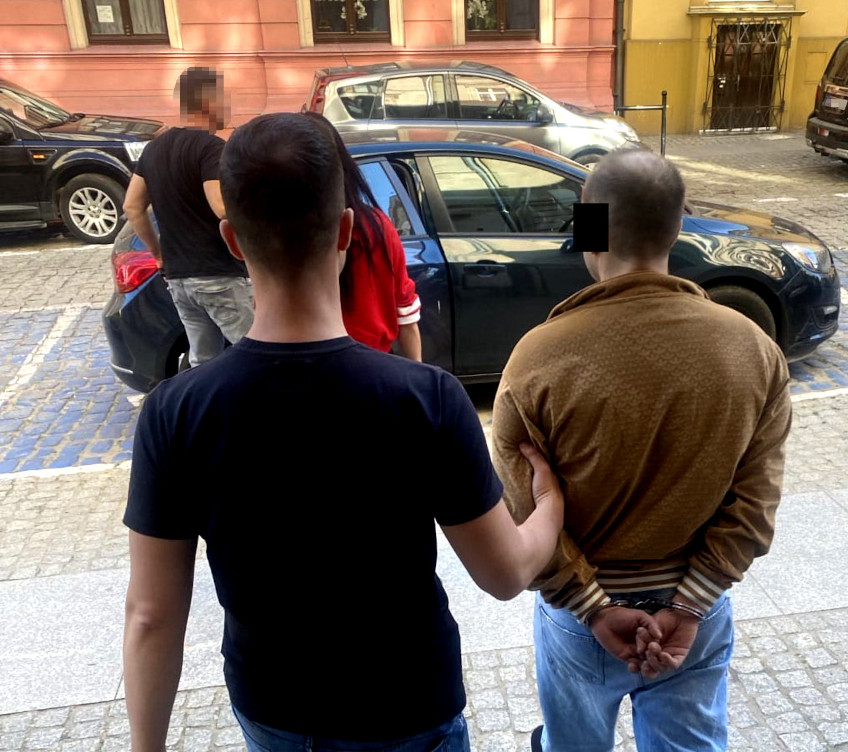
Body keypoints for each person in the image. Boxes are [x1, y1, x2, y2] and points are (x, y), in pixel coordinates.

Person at [121, 112, 564, 752]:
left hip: (275, 708)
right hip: (409, 706)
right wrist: (549, 502)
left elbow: (151, 616)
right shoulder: (427, 399)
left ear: (232, 239)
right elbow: (505, 573)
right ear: (348, 231)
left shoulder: (174, 412)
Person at [492, 148, 793, 752]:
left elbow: (520, 505)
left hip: (583, 622)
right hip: (696, 616)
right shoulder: (754, 349)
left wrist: (594, 608)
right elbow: (755, 505)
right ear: (678, 227)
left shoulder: (537, 358)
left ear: (588, 226)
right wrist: (690, 605)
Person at [123, 66, 254, 368]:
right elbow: (221, 207)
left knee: (203, 361)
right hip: (218, 274)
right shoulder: (211, 147)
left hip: (179, 278)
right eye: (225, 98)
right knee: (255, 355)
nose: (229, 106)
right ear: (207, 101)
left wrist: (158, 253)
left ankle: (206, 400)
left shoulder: (154, 148)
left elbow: (132, 206)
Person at [302, 111, 422, 360]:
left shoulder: (277, 236)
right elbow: (407, 319)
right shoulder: (375, 227)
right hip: (374, 364)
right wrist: (418, 376)